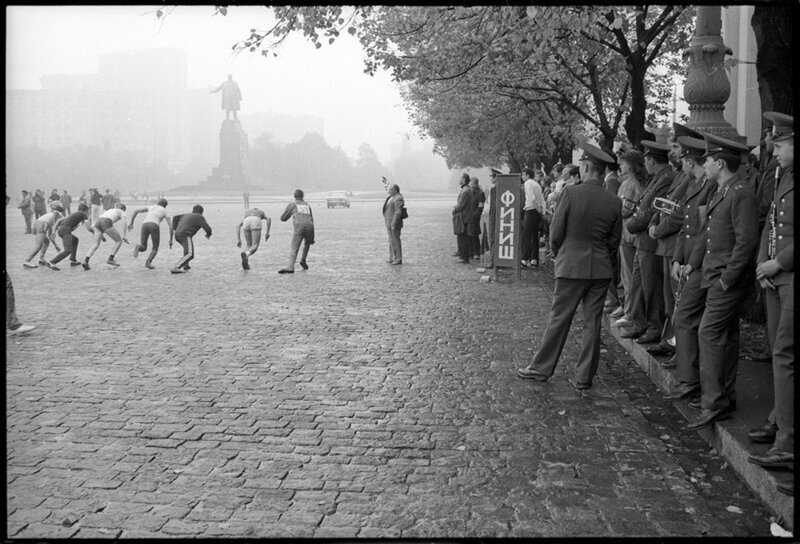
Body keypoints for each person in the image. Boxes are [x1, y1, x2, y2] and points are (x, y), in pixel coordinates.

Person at [517, 144, 622, 389]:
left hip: (571, 265)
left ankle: (541, 368)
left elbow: (556, 232)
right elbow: (614, 241)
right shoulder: (614, 201)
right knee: (592, 323)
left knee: (559, 318)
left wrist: (559, 252)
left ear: (585, 167)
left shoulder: (571, 194)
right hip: (600, 269)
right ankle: (584, 377)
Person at [685, 133, 758, 430]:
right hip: (716, 276)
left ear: (720, 163)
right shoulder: (723, 190)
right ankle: (724, 398)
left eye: (708, 160)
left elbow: (746, 241)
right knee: (725, 337)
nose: (705, 165)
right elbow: (710, 234)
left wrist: (727, 280)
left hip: (725, 279)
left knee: (708, 333)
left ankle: (713, 402)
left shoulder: (739, 192)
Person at [747, 112, 793, 482]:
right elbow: (772, 224)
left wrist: (778, 262)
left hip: (790, 274)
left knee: (786, 354)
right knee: (780, 352)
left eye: (780, 144)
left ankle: (787, 440)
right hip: (777, 275)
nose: (774, 150)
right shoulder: (783, 178)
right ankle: (779, 421)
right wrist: (763, 261)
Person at [665, 136, 717, 400]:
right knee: (686, 317)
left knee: (684, 316)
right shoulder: (694, 185)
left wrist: (690, 263)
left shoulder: (707, 187)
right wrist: (676, 259)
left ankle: (689, 379)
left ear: (688, 160)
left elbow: (702, 232)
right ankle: (688, 376)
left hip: (699, 264)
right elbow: (686, 229)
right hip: (688, 261)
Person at [645, 123, 699, 357]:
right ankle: (671, 341)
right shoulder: (679, 175)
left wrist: (659, 229)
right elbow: (664, 203)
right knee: (670, 300)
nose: (672, 152)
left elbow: (679, 213)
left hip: (674, 243)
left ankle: (677, 345)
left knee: (676, 300)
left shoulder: (687, 178)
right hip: (667, 245)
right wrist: (654, 223)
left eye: (676, 147)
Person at [620, 140, 675, 345]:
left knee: (651, 286)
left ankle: (654, 325)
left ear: (651, 161)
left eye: (646, 160)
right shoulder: (657, 178)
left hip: (649, 240)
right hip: (642, 240)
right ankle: (639, 321)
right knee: (638, 284)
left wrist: (632, 224)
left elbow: (651, 210)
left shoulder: (666, 178)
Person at [612, 148, 647, 327]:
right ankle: (629, 307)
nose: (620, 166)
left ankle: (629, 311)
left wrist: (613, 210)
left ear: (630, 165)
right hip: (632, 234)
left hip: (627, 234)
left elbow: (626, 209)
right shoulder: (637, 182)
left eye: (623, 163)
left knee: (629, 276)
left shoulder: (629, 184)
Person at [128, 198, 174, 269]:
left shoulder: (151, 207)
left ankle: (138, 247)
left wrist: (131, 223)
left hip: (144, 224)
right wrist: (171, 240)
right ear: (165, 206)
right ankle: (148, 262)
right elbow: (171, 227)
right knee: (155, 248)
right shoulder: (164, 211)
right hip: (154, 225)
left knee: (143, 247)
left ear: (158, 203)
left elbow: (136, 211)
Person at [47, 203, 94, 270]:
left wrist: (54, 231)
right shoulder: (83, 214)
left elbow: (59, 220)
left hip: (62, 230)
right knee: (68, 250)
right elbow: (88, 228)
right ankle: (52, 262)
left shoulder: (75, 214)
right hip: (65, 231)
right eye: (88, 211)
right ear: (86, 210)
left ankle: (73, 259)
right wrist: (94, 232)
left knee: (75, 240)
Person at [82, 203, 128, 270]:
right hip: (106, 222)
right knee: (119, 241)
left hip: (98, 222)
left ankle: (86, 260)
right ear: (123, 209)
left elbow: (102, 221)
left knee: (95, 244)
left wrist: (101, 235)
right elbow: (125, 223)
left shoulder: (111, 210)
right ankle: (111, 259)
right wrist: (124, 236)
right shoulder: (121, 212)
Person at [278, 190, 315, 274]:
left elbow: (283, 218)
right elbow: (311, 218)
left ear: (294, 196)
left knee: (295, 247)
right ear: (303, 196)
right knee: (308, 243)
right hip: (310, 226)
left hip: (299, 226)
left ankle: (290, 266)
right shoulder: (307, 205)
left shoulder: (293, 204)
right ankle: (303, 259)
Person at [171, 205, 213, 274]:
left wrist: (176, 228)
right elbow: (207, 228)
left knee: (187, 250)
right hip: (185, 234)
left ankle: (186, 265)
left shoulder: (186, 215)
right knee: (190, 254)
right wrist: (208, 234)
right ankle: (176, 267)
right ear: (201, 212)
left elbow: (175, 218)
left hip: (177, 234)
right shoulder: (199, 216)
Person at [23, 202, 63, 269]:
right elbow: (54, 217)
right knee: (38, 245)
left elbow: (50, 236)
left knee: (46, 242)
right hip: (41, 225)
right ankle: (27, 260)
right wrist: (54, 228)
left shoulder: (51, 217)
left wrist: (56, 245)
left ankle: (41, 259)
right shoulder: (58, 214)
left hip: (38, 224)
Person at [520, 167, 546, 268]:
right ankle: (534, 259)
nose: (522, 177)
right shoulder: (537, 185)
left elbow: (531, 197)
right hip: (536, 212)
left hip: (530, 210)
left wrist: (536, 207)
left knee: (525, 235)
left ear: (527, 175)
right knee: (534, 236)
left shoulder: (528, 183)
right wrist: (541, 211)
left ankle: (524, 259)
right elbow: (542, 199)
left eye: (523, 175)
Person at [452, 173, 474, 264]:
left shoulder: (465, 191)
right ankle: (463, 255)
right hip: (465, 216)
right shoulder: (467, 189)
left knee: (463, 237)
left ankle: (464, 257)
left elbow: (461, 205)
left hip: (463, 217)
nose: (459, 180)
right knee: (462, 236)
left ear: (464, 180)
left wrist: (454, 209)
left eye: (461, 178)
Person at [481, 168, 500, 267]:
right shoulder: (496, 188)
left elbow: (492, 205)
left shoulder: (494, 189)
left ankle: (493, 260)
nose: (490, 178)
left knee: (492, 237)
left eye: (491, 176)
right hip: (491, 214)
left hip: (492, 215)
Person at [382, 183, 405, 265]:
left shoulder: (398, 198)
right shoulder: (392, 197)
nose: (389, 191)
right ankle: (392, 257)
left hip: (394, 223)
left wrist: (394, 223)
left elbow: (398, 212)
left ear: (395, 190)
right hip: (389, 223)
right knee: (391, 241)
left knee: (395, 241)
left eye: (390, 190)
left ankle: (398, 258)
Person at [469, 177, 485, 259]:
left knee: (475, 234)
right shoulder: (470, 192)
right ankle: (471, 251)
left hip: (475, 217)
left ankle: (476, 252)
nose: (471, 186)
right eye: (470, 184)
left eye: (472, 184)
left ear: (476, 184)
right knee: (469, 233)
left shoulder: (480, 193)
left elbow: (480, 206)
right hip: (469, 216)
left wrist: (475, 215)